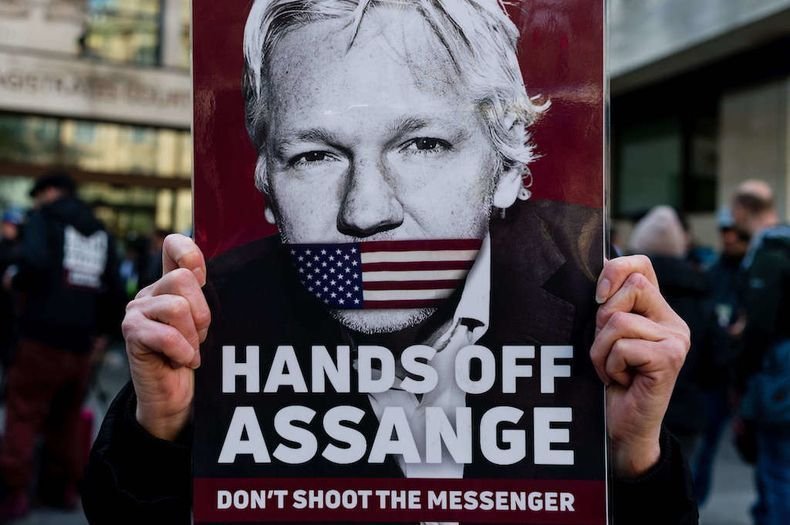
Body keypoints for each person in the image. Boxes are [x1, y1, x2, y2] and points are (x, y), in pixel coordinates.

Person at [84, 1, 697, 523]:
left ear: (507, 167)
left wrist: (634, 459)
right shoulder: (217, 320)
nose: (366, 210)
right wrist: (159, 434)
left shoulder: (585, 296)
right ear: (266, 181)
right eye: (316, 155)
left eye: (421, 144)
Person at [0, 172, 122, 520]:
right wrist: (103, 332)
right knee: (66, 420)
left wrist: (14, 279)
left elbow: (34, 263)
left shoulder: (44, 219)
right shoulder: (98, 230)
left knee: (24, 413)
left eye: (39, 194)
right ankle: (62, 489)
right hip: (81, 344)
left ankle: (14, 492)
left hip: (40, 338)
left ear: (51, 192)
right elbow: (114, 287)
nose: (37, 201)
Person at [627, 206, 722, 460]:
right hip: (686, 412)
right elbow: (716, 361)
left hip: (629, 410)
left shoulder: (623, 291)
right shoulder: (700, 291)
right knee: (683, 479)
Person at [730, 180, 790, 525]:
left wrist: (740, 375)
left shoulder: (767, 255)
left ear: (742, 209)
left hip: (776, 379)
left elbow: (758, 327)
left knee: (776, 473)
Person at [692, 208, 748, 506]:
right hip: (715, 376)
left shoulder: (756, 271)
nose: (730, 237)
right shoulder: (713, 272)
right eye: (725, 231)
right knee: (705, 446)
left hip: (748, 374)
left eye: (736, 232)